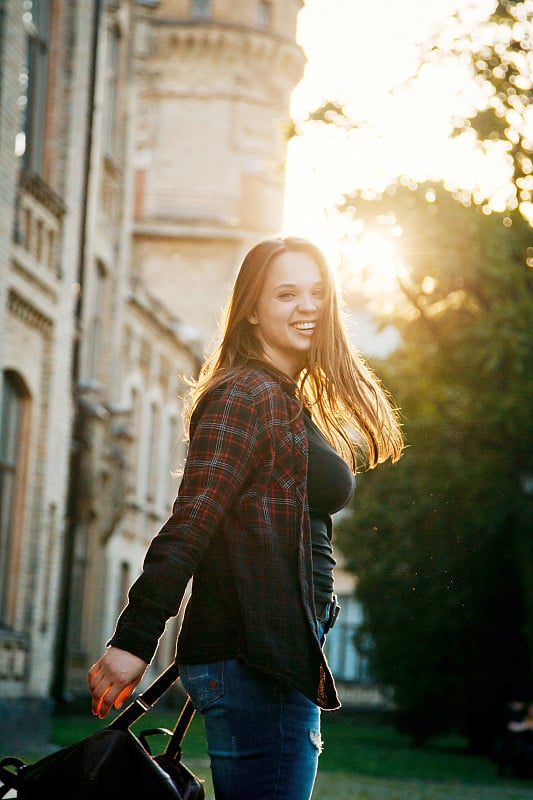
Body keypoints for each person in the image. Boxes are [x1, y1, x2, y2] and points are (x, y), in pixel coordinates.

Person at [88, 236, 404, 800]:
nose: (307, 306)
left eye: (316, 292)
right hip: (259, 663)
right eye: (286, 294)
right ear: (252, 311)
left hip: (273, 657)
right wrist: (135, 639)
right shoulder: (246, 395)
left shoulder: (282, 398)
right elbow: (192, 521)